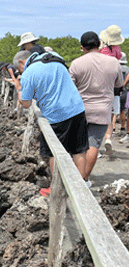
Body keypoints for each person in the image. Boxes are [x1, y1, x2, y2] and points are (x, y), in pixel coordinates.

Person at [13, 50, 89, 196]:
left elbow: (27, 103)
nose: (20, 72)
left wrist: (19, 89)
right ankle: (80, 188)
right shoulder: (54, 56)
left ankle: (56, 190)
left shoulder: (28, 73)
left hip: (57, 114)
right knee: (79, 149)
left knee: (55, 152)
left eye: (19, 69)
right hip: (77, 108)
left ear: (22, 62)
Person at [69, 31, 123, 183]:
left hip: (80, 110)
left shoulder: (77, 63)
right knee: (93, 146)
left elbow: (70, 87)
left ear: (82, 47)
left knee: (78, 146)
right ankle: (83, 179)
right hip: (102, 110)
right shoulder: (113, 63)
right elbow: (118, 84)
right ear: (99, 45)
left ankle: (74, 179)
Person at [99, 25, 125, 151]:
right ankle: (108, 138)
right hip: (114, 87)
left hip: (101, 84)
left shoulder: (102, 50)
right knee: (110, 115)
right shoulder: (117, 50)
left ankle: (96, 144)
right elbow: (118, 59)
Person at [119, 53, 129, 143]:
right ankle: (123, 128)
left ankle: (113, 129)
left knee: (113, 112)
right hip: (126, 92)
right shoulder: (128, 69)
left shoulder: (115, 68)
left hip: (116, 91)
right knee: (123, 111)